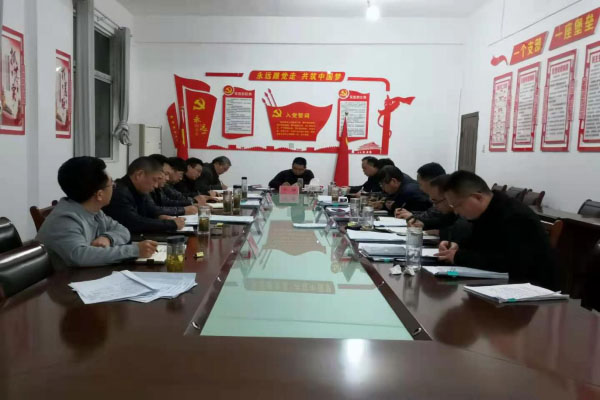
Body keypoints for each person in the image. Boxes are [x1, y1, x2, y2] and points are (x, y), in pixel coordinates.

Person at [437, 170, 558, 290]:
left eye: (458, 205)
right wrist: (457, 246)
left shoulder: (515, 216)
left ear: (477, 197)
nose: (456, 212)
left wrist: (459, 256)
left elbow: (512, 264)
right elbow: (477, 245)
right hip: (499, 284)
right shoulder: (488, 211)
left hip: (531, 290)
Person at [36, 157, 158, 268]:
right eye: (111, 184)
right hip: (61, 282)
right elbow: (81, 256)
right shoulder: (65, 219)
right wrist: (135, 250)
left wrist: (108, 238)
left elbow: (123, 230)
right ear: (99, 195)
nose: (114, 187)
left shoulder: (95, 211)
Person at [103, 157, 185, 234]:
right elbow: (134, 223)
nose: (156, 185)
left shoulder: (139, 190)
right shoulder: (119, 192)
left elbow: (150, 211)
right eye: (154, 180)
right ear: (139, 175)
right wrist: (170, 224)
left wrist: (158, 217)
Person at [406, 174, 472, 244]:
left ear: (450, 197)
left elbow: (461, 231)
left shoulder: (468, 213)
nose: (434, 206)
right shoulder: (449, 212)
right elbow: (441, 221)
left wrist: (439, 232)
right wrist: (422, 225)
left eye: (436, 201)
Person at [396, 162, 447, 226]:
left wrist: (412, 216)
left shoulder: (445, 196)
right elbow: (430, 213)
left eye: (420, 184)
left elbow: (434, 217)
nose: (419, 188)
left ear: (431, 182)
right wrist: (410, 214)